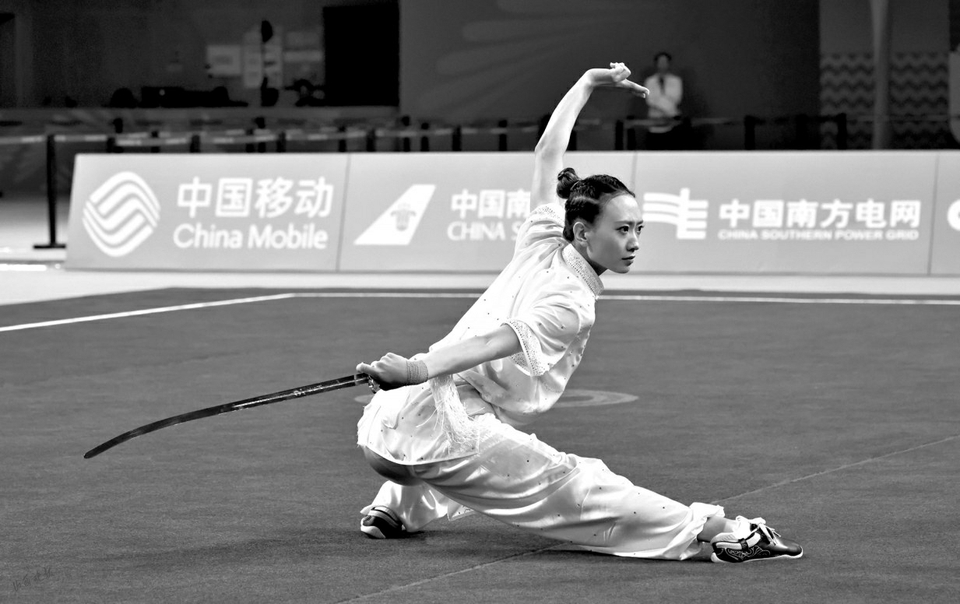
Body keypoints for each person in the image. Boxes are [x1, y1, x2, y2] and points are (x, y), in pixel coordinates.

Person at [355, 62, 802, 564]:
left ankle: (394, 509)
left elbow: (547, 154)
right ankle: (722, 532)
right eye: (622, 230)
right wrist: (416, 368)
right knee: (574, 483)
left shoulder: (544, 236)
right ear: (585, 232)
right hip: (435, 434)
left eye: (639, 229)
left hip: (390, 426)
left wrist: (588, 82)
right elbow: (492, 342)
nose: (634, 242)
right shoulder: (571, 302)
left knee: (489, 431)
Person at [643, 52, 684, 150]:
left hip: (672, 122)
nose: (662, 64)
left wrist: (660, 101)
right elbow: (650, 100)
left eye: (665, 62)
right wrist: (666, 102)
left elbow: (676, 98)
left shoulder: (676, 81)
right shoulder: (650, 81)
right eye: (660, 62)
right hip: (654, 122)